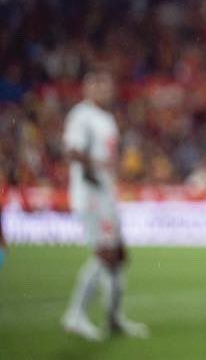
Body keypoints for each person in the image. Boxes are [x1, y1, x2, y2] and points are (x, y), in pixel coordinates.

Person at [61, 71, 149, 341]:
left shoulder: (108, 119)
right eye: (96, 84)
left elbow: (108, 157)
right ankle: (75, 315)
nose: (102, 89)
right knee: (105, 255)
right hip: (90, 195)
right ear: (87, 88)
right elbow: (73, 152)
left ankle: (113, 319)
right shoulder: (82, 116)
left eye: (105, 84)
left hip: (107, 195)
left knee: (118, 256)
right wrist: (98, 168)